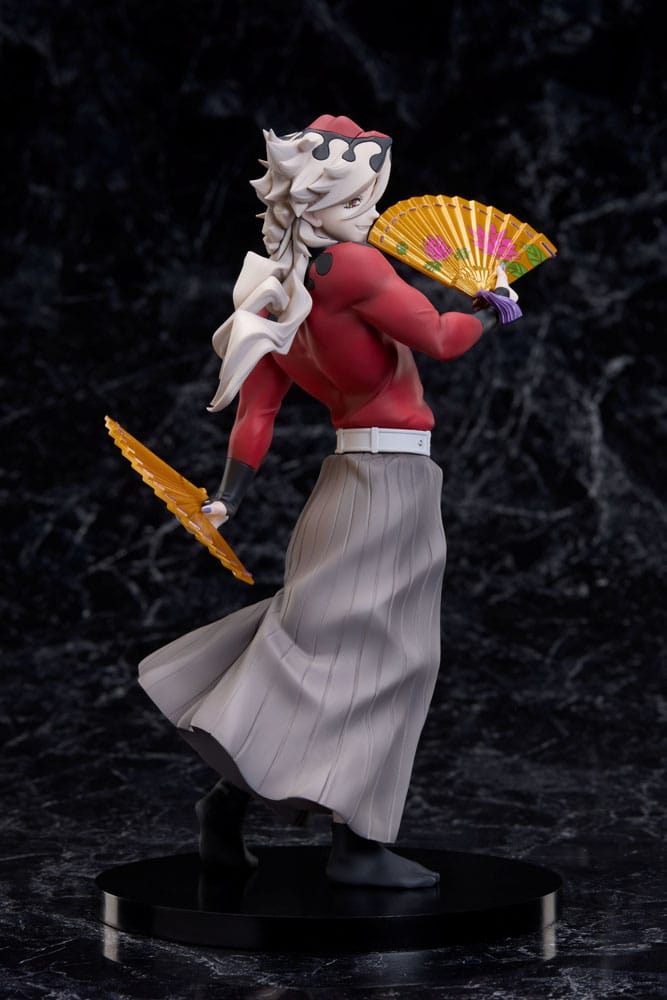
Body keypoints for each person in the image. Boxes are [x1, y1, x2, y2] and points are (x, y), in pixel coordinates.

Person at [138, 115, 520, 889]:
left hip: (342, 485)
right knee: (392, 659)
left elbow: (257, 414)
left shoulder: (273, 290)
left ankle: (229, 803)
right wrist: (492, 304)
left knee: (314, 647)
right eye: (360, 202)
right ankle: (358, 843)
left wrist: (228, 498)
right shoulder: (352, 267)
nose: (370, 216)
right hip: (390, 483)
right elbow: (440, 338)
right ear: (323, 200)